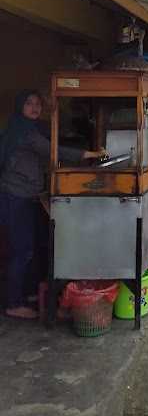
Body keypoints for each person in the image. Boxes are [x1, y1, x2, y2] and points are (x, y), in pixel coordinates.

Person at [0, 90, 105, 319]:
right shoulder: (24, 131)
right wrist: (88, 153)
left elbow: (56, 133)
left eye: (38, 103)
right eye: (29, 103)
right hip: (15, 197)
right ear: (20, 106)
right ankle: (13, 303)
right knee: (23, 251)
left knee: (35, 247)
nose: (35, 107)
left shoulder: (33, 127)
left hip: (29, 196)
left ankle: (27, 293)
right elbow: (51, 150)